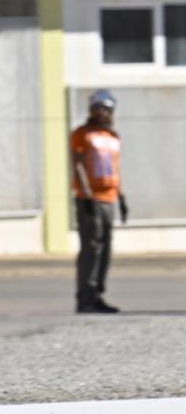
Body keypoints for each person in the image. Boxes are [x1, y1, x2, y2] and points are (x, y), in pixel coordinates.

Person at [70, 89, 129, 314]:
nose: (101, 112)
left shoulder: (113, 137)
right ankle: (85, 296)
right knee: (91, 248)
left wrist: (121, 196)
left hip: (109, 199)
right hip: (90, 199)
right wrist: (85, 194)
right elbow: (77, 164)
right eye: (97, 108)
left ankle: (97, 295)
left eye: (105, 108)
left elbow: (115, 168)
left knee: (105, 250)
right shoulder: (82, 134)